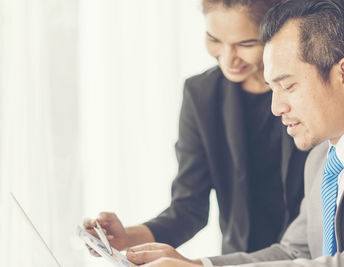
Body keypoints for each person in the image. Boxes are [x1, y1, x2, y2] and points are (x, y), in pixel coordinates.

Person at [121, 0, 344, 266]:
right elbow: (295, 251)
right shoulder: (322, 157)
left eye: (288, 86)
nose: (276, 108)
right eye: (272, 88)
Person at [84, 0, 308, 255]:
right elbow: (188, 208)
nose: (228, 59)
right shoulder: (201, 95)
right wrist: (124, 237)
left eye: (246, 44)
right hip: (239, 260)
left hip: (314, 255)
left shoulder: (308, 90)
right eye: (214, 39)